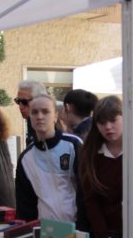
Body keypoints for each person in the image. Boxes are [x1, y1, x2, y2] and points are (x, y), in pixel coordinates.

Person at [78, 96, 133, 238]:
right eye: (102, 122)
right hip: (105, 236)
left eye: (113, 120)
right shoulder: (90, 152)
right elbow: (91, 201)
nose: (108, 127)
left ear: (125, 118)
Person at [16, 94, 83, 223]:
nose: (40, 116)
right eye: (34, 112)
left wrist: (83, 228)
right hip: (46, 232)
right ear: (29, 116)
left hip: (77, 229)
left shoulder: (73, 145)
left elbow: (86, 192)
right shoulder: (25, 158)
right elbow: (25, 206)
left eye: (45, 111)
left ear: (56, 115)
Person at [15, 79, 48, 146]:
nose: (20, 107)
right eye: (18, 101)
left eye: (24, 102)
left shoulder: (50, 126)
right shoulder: (31, 121)